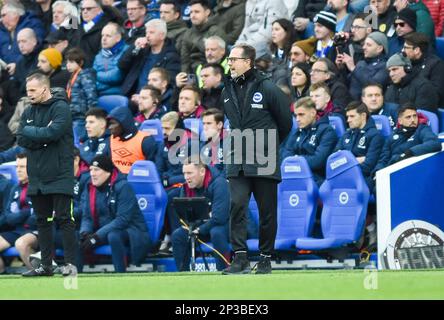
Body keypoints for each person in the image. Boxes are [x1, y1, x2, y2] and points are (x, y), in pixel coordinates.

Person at [222, 44, 293, 274]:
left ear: (248, 62)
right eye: (229, 59)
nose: (229, 63)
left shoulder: (269, 89)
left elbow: (286, 124)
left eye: (234, 59)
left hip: (264, 158)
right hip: (237, 159)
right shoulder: (226, 90)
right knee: (237, 205)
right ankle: (240, 257)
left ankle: (264, 258)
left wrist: (268, 146)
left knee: (266, 210)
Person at [17, 72, 77, 276]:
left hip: (60, 173)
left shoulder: (61, 108)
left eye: (32, 90)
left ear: (45, 88)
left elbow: (53, 133)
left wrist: (34, 133)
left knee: (64, 219)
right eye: (27, 91)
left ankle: (70, 265)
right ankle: (46, 266)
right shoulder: (28, 110)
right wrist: (41, 136)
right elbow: (21, 138)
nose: (30, 94)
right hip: (37, 175)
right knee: (42, 221)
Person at [79, 155, 151, 272]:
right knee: (77, 238)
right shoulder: (90, 187)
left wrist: (96, 236)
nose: (92, 173)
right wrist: (85, 233)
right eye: (91, 170)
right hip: (102, 232)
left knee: (114, 235)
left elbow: (122, 219)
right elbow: (86, 216)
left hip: (132, 231)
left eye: (96, 170)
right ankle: (78, 277)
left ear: (108, 172)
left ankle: (120, 274)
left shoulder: (123, 186)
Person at [171, 157, 230, 271]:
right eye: (184, 173)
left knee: (216, 232)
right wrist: (193, 226)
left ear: (202, 171)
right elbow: (185, 217)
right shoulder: (185, 187)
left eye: (190, 173)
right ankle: (183, 274)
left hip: (228, 225)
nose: (186, 177)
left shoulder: (220, 184)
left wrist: (199, 229)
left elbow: (220, 218)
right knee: (178, 235)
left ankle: (224, 270)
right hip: (202, 225)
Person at [280, 97, 338, 185]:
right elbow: (285, 154)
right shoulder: (297, 132)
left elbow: (318, 161)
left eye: (301, 114)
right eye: (296, 115)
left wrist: (295, 161)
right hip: (293, 175)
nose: (297, 119)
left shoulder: (327, 131)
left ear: (313, 113)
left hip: (317, 178)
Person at [119, 18, 181, 97]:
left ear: (162, 36)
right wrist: (134, 46)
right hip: (132, 94)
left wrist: (144, 98)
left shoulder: (171, 56)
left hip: (154, 99)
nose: (147, 35)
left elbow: (169, 84)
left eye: (151, 32)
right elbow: (122, 65)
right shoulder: (142, 49)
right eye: (146, 32)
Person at [374, 104, 442, 173]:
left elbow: (435, 143)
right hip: (390, 171)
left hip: (412, 170)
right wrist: (377, 171)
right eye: (408, 117)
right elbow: (383, 159)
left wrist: (410, 152)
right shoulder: (392, 136)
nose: (413, 120)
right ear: (400, 121)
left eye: (415, 116)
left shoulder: (422, 129)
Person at [334, 102, 384, 189]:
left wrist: (344, 164)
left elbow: (368, 166)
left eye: (352, 116)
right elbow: (334, 159)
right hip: (342, 176)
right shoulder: (347, 133)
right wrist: (355, 160)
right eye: (347, 116)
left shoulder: (375, 135)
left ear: (363, 116)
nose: (348, 120)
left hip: (361, 179)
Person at [0, 153, 35, 274]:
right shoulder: (15, 188)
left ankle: (38, 272)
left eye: (22, 167)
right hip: (18, 230)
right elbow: (8, 217)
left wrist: (21, 215)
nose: (18, 170)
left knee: (21, 244)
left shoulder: (39, 187)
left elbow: (36, 217)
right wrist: (24, 214)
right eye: (17, 167)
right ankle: (2, 272)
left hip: (36, 231)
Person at [106, 106, 161, 174]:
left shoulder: (145, 140)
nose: (109, 127)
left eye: (113, 123)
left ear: (124, 123)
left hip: (137, 180)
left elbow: (154, 170)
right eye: (109, 124)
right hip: (115, 181)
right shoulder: (111, 140)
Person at [180, 0, 228, 73]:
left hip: (212, 72)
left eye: (197, 12)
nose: (193, 15)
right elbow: (185, 61)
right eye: (191, 12)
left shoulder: (216, 31)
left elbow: (219, 57)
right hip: (193, 75)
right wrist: (185, 78)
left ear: (207, 12)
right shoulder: (188, 33)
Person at [340, 31, 390, 100]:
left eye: (368, 45)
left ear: (380, 48)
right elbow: (346, 84)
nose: (364, 47)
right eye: (364, 44)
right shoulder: (361, 63)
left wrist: (354, 68)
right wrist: (341, 68)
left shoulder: (385, 66)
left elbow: (374, 85)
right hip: (350, 105)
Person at [66, 47, 98, 145]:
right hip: (72, 115)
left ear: (80, 62)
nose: (68, 65)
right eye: (67, 62)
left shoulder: (85, 75)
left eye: (71, 62)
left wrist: (90, 114)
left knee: (77, 143)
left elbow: (91, 96)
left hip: (81, 116)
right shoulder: (72, 77)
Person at [402, 32, 444, 106]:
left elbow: (437, 93)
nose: (402, 50)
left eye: (406, 48)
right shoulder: (406, 62)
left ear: (417, 50)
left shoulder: (436, 65)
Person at [93, 22, 128, 96]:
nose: (104, 39)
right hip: (99, 95)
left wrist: (98, 75)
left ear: (118, 38)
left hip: (118, 95)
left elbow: (117, 76)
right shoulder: (98, 56)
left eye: (108, 36)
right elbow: (92, 77)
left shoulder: (126, 51)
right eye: (102, 35)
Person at [200, 108, 225, 173]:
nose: (205, 128)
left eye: (209, 123)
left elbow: (227, 173)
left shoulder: (230, 143)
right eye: (203, 124)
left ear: (219, 125)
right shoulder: (203, 145)